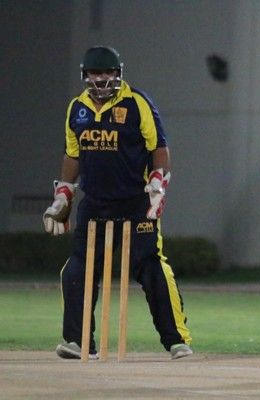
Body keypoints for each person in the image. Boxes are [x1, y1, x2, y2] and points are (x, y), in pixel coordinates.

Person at [43, 46, 193, 360]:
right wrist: (63, 196)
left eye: (107, 73)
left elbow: (159, 148)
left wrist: (158, 185)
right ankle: (79, 342)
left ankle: (177, 340)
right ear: (85, 75)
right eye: (95, 74)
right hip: (94, 205)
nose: (101, 79)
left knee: (151, 266)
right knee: (76, 270)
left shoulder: (137, 102)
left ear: (118, 73)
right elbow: (72, 155)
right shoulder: (77, 108)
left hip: (136, 203)